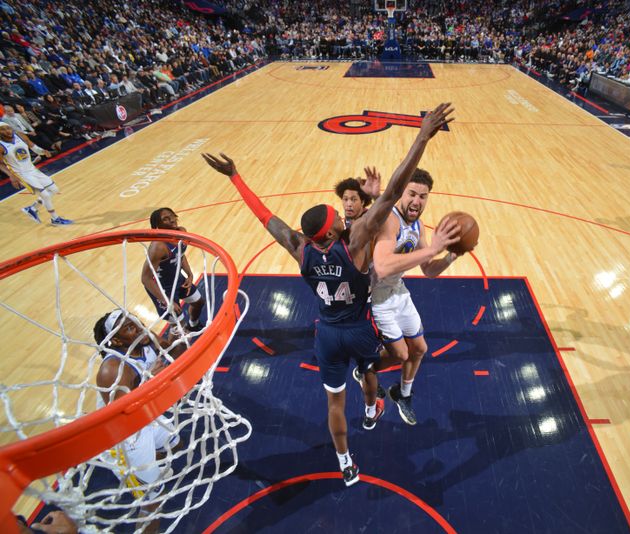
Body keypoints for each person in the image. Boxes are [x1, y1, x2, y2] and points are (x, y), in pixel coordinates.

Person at [201, 102, 454, 486]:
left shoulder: (300, 249)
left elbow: (266, 217)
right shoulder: (353, 245)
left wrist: (235, 176)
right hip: (359, 328)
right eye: (339, 216)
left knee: (334, 402)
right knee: (369, 370)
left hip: (327, 334)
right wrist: (422, 135)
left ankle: (345, 462)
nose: (343, 213)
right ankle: (371, 411)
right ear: (335, 231)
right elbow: (394, 191)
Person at [355, 167, 463, 426]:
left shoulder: (418, 225)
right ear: (401, 193)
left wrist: (449, 255)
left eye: (423, 196)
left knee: (420, 349)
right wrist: (432, 250)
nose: (417, 201)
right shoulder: (389, 220)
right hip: (376, 297)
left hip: (398, 290)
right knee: (401, 355)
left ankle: (401, 394)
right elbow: (381, 266)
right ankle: (364, 371)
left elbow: (429, 271)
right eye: (412, 194)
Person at [93, 309, 185, 533]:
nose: (139, 325)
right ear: (116, 340)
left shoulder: (144, 338)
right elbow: (123, 415)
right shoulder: (111, 369)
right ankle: (142, 476)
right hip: (125, 439)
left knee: (176, 443)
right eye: (129, 327)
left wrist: (178, 333)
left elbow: (175, 351)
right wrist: (149, 381)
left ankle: (152, 463)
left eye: (136, 320)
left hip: (147, 419)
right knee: (152, 503)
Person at [141, 208, 205, 332]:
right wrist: (166, 301)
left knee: (198, 302)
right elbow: (146, 278)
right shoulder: (158, 247)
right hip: (161, 288)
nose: (171, 220)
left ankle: (193, 324)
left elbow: (181, 255)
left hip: (177, 279)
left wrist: (190, 274)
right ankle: (172, 350)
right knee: (179, 327)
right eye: (165, 219)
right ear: (157, 226)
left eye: (172, 216)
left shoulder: (181, 232)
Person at [0, 123, 72, 225]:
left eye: (8, 128)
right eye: (3, 130)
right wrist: (11, 176)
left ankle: (32, 209)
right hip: (21, 174)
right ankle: (55, 219)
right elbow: (1, 164)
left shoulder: (20, 135)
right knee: (45, 195)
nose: (7, 131)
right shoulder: (1, 146)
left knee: (54, 189)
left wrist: (42, 151)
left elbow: (32, 146)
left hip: (33, 169)